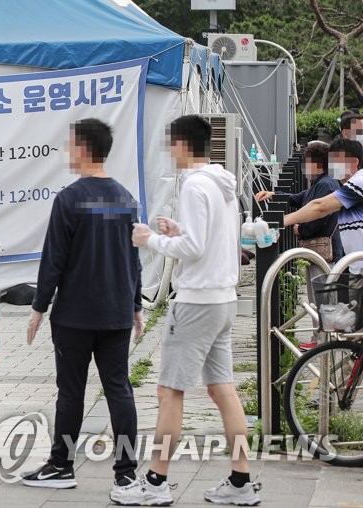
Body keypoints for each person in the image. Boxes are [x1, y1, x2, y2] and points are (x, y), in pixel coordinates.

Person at [125, 115, 259, 506]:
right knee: (223, 390)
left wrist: (152, 239)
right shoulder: (222, 184)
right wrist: (178, 231)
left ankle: (155, 482)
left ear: (183, 144)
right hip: (223, 299)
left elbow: (196, 249)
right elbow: (214, 239)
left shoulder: (195, 184)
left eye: (171, 144)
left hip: (196, 302)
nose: (169, 151)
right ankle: (240, 482)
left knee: (169, 392)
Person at [23, 119, 141, 492]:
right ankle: (126, 474)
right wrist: (136, 303)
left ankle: (61, 466)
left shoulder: (70, 199)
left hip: (74, 315)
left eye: (70, 144)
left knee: (71, 391)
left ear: (83, 148)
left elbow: (53, 259)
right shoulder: (125, 199)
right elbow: (132, 258)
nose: (66, 150)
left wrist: (38, 307)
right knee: (119, 388)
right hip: (117, 311)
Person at [255, 141, 340, 348]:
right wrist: (275, 195)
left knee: (322, 295)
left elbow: (319, 215)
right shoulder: (320, 183)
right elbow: (298, 198)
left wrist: (300, 229)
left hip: (323, 250)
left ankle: (323, 340)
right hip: (317, 249)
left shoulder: (325, 184)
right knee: (316, 293)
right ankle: (319, 338)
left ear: (315, 163)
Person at [282, 139, 363, 276]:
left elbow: (320, 207)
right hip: (355, 267)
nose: (331, 166)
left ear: (354, 162)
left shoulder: (358, 182)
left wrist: (283, 220)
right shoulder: (344, 186)